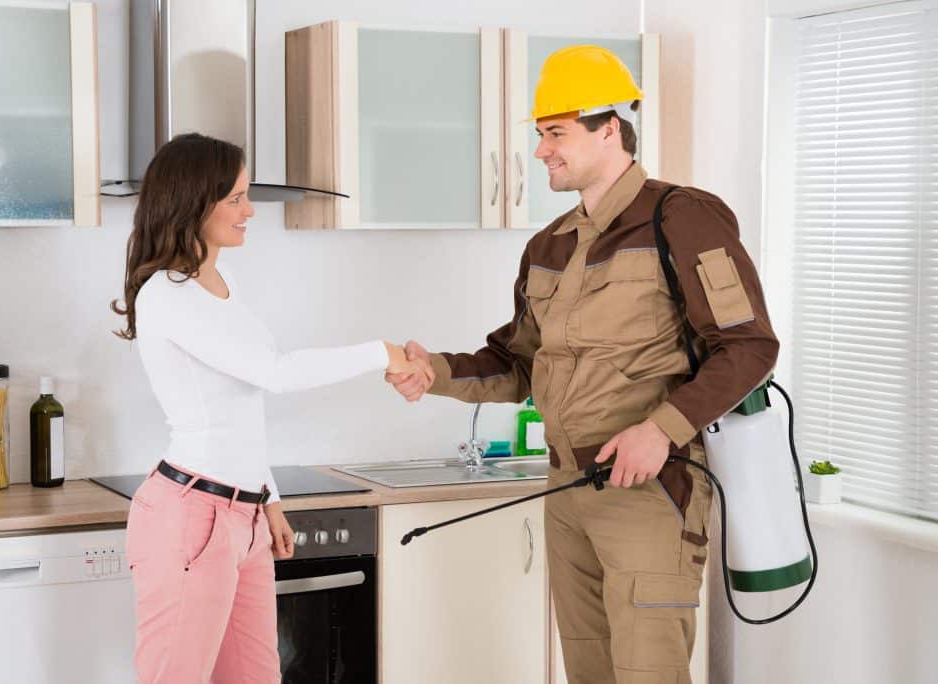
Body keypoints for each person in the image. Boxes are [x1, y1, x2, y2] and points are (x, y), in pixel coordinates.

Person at [387, 45, 778, 684]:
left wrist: (662, 430)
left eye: (556, 133)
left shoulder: (681, 217)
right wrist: (433, 370)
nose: (540, 150)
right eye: (540, 135)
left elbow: (750, 346)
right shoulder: (550, 245)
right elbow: (515, 362)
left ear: (609, 130)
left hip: (650, 494)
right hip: (567, 491)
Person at [112, 132, 430, 683]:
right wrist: (379, 351)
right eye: (235, 198)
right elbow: (273, 373)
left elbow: (242, 402)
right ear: (194, 202)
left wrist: (270, 500)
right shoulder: (165, 293)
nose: (250, 210)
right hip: (190, 516)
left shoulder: (219, 280)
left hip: (245, 515)